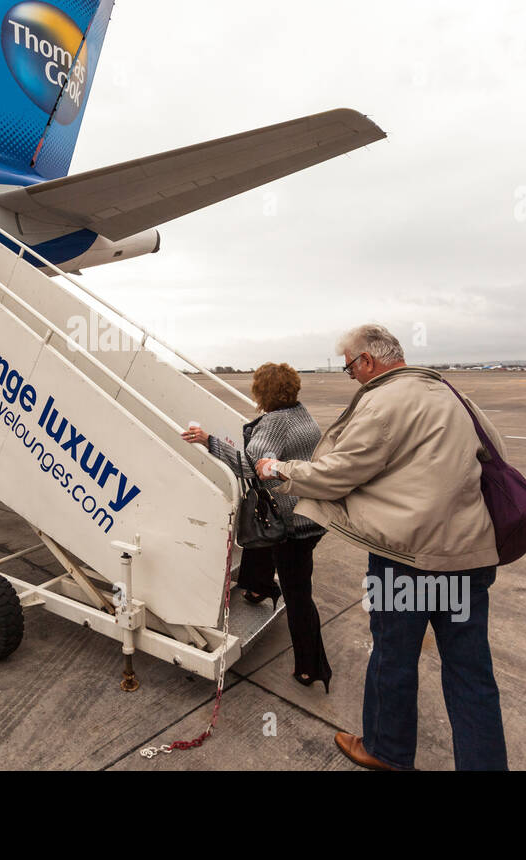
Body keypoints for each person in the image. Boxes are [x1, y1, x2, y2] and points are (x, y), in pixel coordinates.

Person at [255, 324, 508, 771]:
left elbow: (339, 471)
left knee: (393, 657)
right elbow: (497, 455)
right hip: (468, 557)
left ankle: (387, 750)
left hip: (407, 560)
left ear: (367, 361)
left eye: (350, 366)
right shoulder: (451, 393)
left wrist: (281, 469)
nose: (351, 376)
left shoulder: (382, 400)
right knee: (471, 674)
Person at [182, 363, 330, 691]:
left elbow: (252, 467)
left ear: (262, 392)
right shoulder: (301, 414)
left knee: (298, 595)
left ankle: (311, 666)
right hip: (314, 513)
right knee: (260, 546)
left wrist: (209, 442)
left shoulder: (276, 422)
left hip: (293, 522)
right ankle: (259, 587)